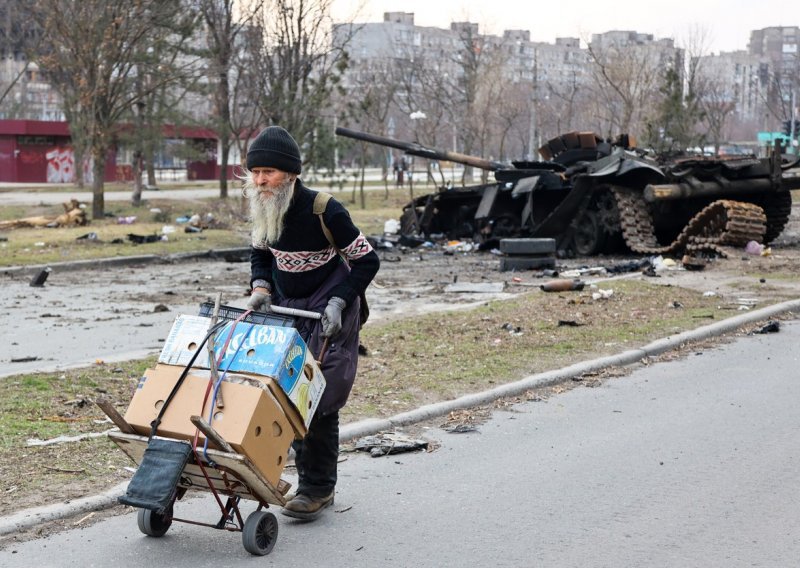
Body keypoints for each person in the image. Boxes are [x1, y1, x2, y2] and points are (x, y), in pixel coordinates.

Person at [243, 126, 380, 521]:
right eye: (255, 172)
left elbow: (366, 260)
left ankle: (318, 489)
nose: (259, 180)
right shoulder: (264, 207)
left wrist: (339, 302)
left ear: (290, 174)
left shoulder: (325, 210)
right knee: (281, 390)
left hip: (330, 306)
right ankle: (285, 475)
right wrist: (261, 289)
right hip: (288, 306)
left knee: (316, 394)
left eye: (268, 172)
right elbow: (260, 255)